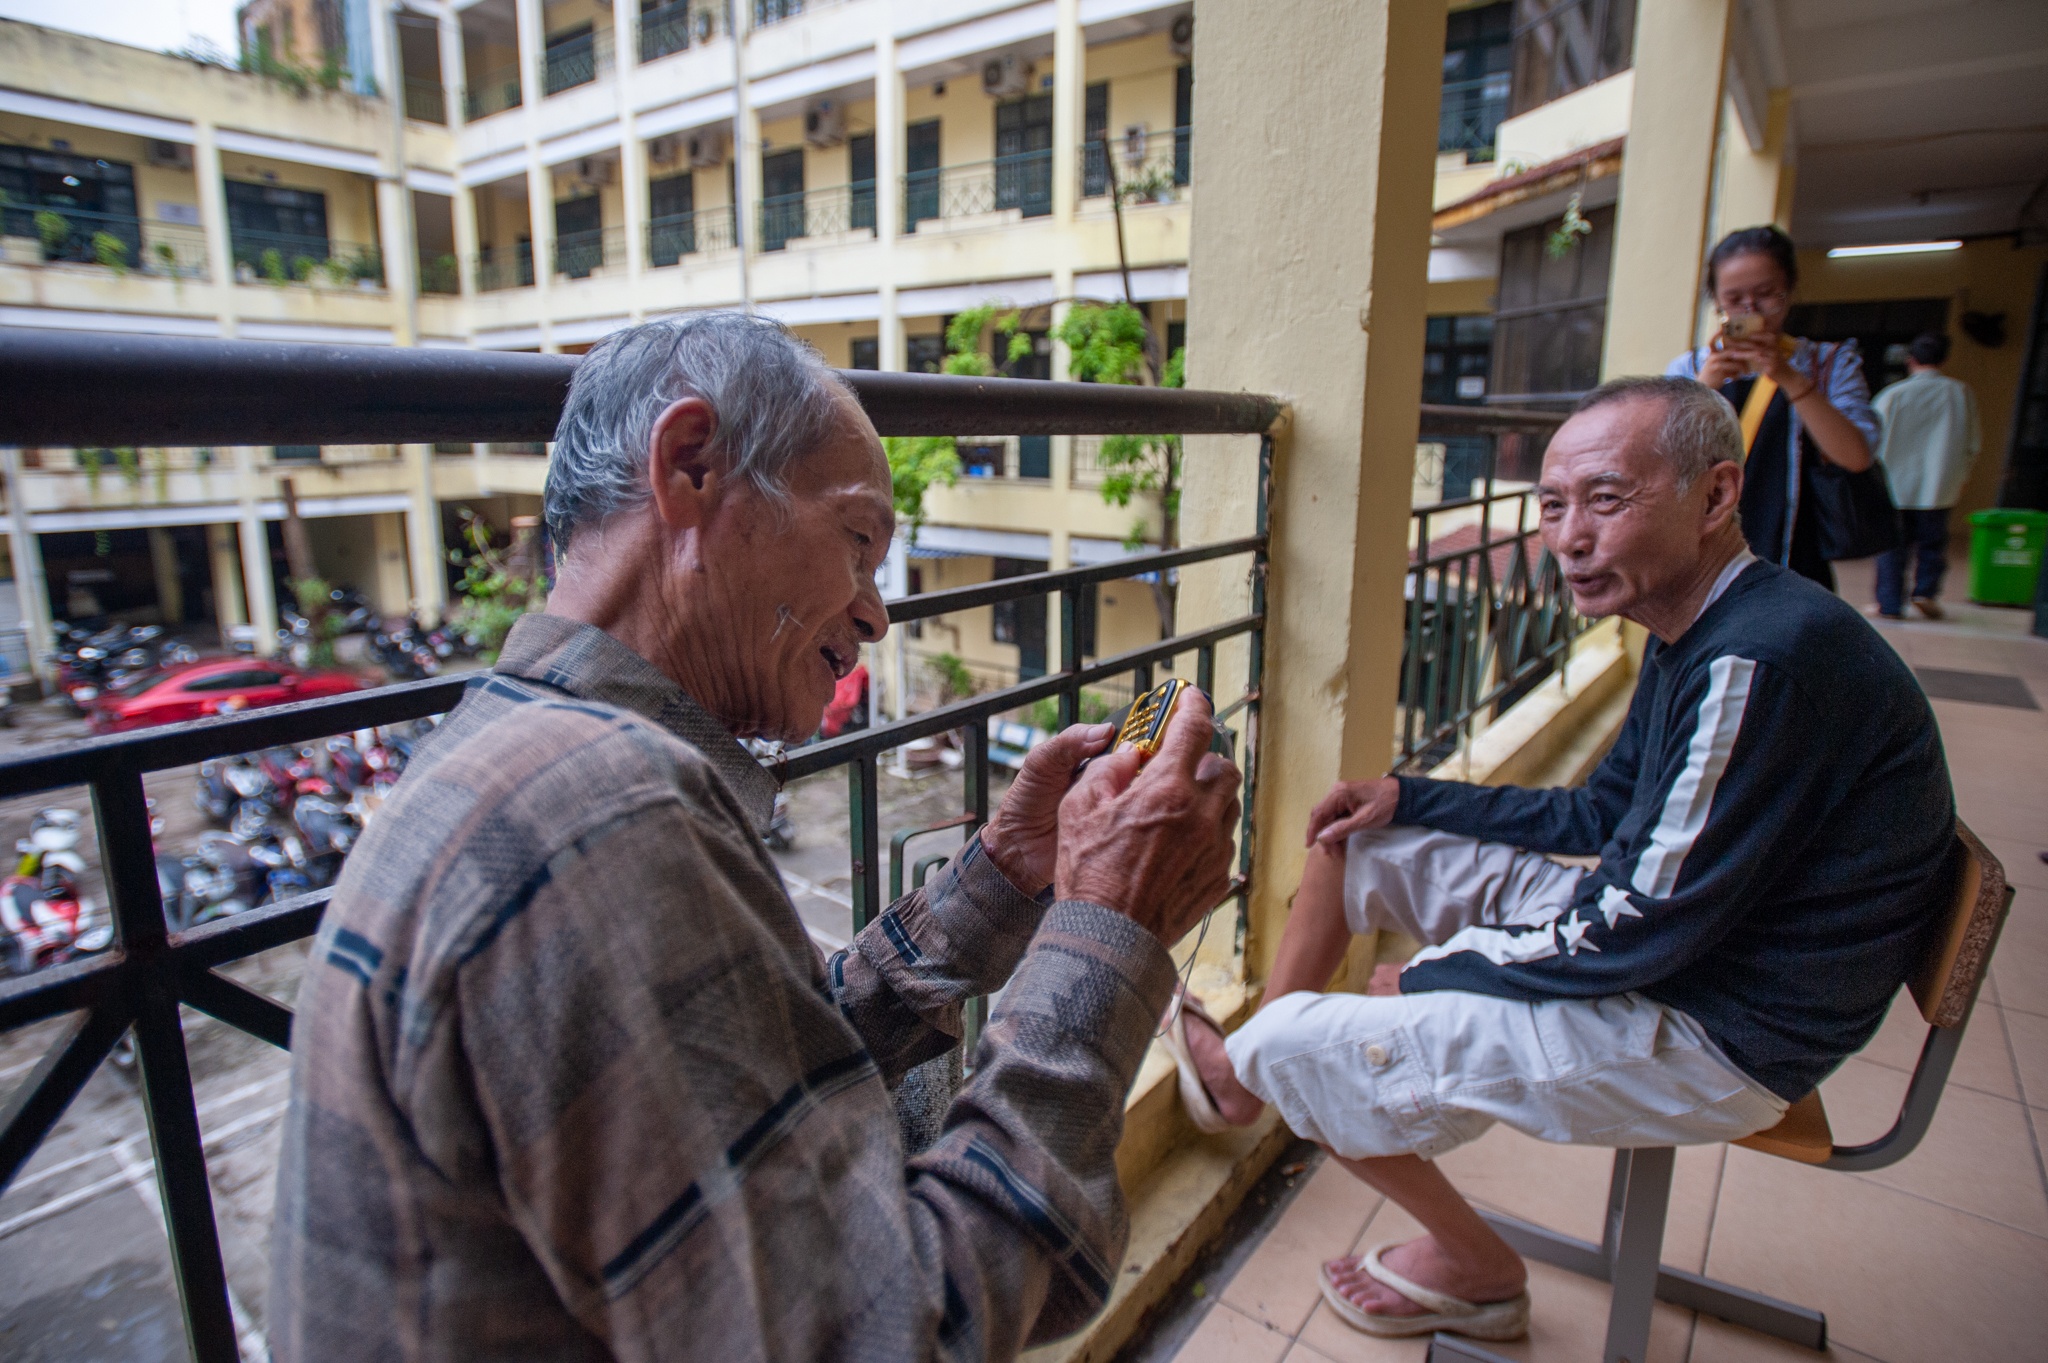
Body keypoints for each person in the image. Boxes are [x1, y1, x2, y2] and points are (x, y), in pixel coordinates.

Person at [268, 314, 1243, 1362]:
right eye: (857, 542)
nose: (875, 616)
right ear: (688, 467)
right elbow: (895, 1337)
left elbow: (736, 1082)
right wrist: (1106, 931)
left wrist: (1005, 878)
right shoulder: (597, 814)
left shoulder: (531, 756)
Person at [1168, 376, 1954, 1343]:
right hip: (1694, 946)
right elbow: (1603, 812)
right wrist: (1410, 796)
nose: (1568, 535)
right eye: (1551, 504)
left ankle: (1476, 1265)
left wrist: (1434, 972)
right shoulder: (1700, 625)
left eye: (1606, 499)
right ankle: (1256, 1079)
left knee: (1306, 1047)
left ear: (1714, 497)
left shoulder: (1759, 662)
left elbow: (1643, 924)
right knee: (1357, 842)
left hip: (1720, 1026)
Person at [1666, 225, 1881, 591]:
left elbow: (1856, 456)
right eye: (1734, 300)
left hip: (1797, 556)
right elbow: (1660, 455)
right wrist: (1706, 386)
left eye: (1766, 295)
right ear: (1716, 301)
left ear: (1790, 290)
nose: (1751, 311)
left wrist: (1789, 376)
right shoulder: (1689, 369)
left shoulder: (1830, 364)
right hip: (1701, 555)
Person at [1871, 331, 1981, 619]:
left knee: (1892, 547)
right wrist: (1962, 476)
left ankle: (1890, 603)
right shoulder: (1959, 393)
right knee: (1933, 543)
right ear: (1945, 358)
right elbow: (1972, 442)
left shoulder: (1893, 395)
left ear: (1910, 360)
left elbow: (1870, 440)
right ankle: (1925, 593)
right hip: (1939, 484)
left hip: (1894, 483)